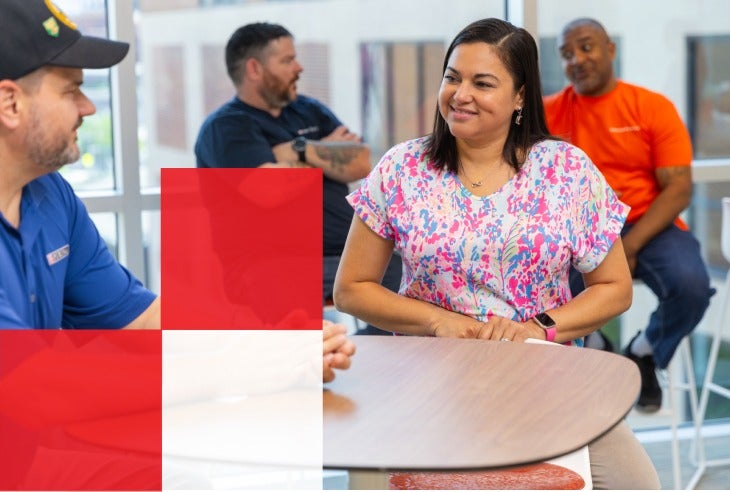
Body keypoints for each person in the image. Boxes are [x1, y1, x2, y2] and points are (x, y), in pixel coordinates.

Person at [333, 18, 659, 489]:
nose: (460, 94)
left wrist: (537, 328)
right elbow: (351, 289)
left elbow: (613, 289)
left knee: (638, 484)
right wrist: (439, 321)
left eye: (482, 83)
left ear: (521, 96)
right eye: (452, 77)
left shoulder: (567, 169)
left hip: (546, 376)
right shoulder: (401, 168)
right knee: (369, 478)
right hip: (427, 379)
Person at [543, 17, 714, 413]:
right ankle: (597, 345)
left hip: (647, 224)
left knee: (690, 286)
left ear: (610, 50)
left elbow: (679, 189)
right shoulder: (548, 114)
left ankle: (643, 353)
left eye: (586, 47)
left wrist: (628, 244)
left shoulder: (650, 106)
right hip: (579, 228)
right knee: (543, 288)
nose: (577, 59)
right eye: (567, 54)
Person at [194, 22, 401, 335]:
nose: (299, 67)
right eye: (288, 60)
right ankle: (332, 360)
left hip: (343, 252)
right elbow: (268, 191)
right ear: (254, 68)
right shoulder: (226, 128)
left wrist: (296, 151)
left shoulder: (308, 110)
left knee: (410, 279)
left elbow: (359, 163)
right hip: (268, 264)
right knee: (288, 301)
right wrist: (323, 153)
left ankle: (359, 358)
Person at [0, 0, 160, 329]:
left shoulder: (50, 193)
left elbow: (140, 321)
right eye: (71, 91)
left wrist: (248, 336)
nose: (88, 108)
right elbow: (25, 376)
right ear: (11, 104)